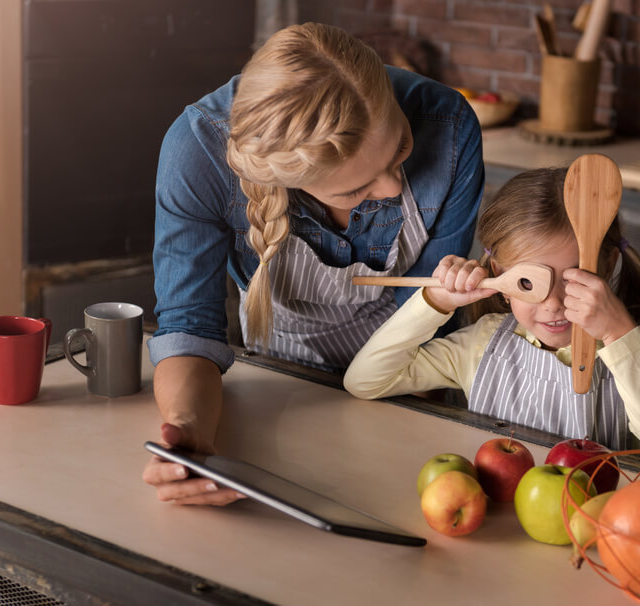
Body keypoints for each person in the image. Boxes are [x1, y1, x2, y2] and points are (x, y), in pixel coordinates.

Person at [143, 23, 484, 505]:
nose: (392, 189)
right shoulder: (197, 150)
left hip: (405, 377)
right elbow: (189, 327)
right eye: (354, 190)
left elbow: (427, 316)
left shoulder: (448, 126)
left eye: (401, 149)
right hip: (278, 385)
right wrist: (188, 429)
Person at [344, 167, 640, 476]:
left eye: (575, 277)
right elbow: (365, 382)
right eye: (529, 283)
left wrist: (619, 332)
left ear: (606, 267)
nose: (554, 304)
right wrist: (434, 302)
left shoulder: (631, 356)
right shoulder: (479, 346)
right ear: (500, 276)